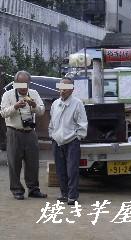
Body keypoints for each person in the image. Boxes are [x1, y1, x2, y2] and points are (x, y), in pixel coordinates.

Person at [0, 70, 47, 200]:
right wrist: (15, 106)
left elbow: (42, 111)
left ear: (29, 83)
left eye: (25, 84)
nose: (22, 87)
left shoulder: (34, 93)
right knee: (14, 162)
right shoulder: (8, 95)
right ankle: (17, 190)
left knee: (33, 162)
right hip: (14, 132)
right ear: (15, 83)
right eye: (19, 84)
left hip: (30, 132)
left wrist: (34, 106)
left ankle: (33, 189)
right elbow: (3, 113)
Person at [48, 77, 88, 205]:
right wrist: (51, 135)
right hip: (57, 141)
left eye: (66, 89)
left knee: (72, 169)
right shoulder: (55, 104)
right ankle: (64, 194)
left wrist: (78, 137)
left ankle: (72, 196)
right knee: (60, 169)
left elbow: (82, 124)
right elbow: (52, 123)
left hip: (72, 142)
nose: (62, 91)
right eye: (61, 88)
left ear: (72, 90)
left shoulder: (77, 103)